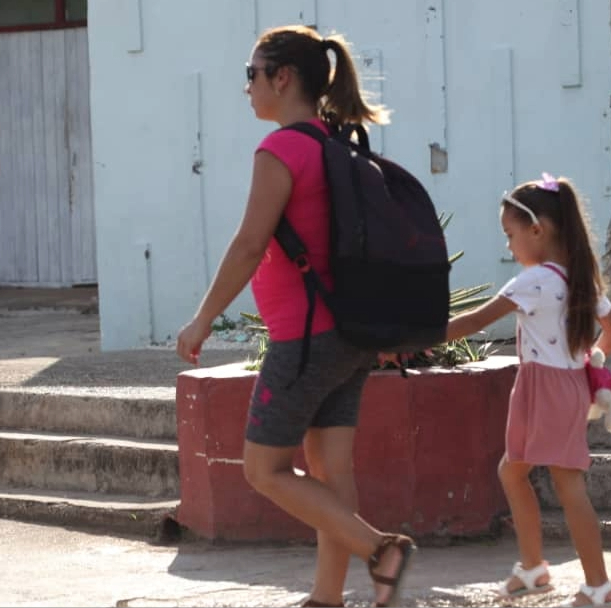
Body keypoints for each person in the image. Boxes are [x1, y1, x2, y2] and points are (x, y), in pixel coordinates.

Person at [174, 25, 413, 608]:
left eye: (252, 74)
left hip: (305, 339)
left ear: (283, 78)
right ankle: (327, 598)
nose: (247, 87)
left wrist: (203, 318)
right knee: (331, 470)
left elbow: (251, 242)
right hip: (348, 333)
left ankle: (380, 549)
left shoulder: (282, 149)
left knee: (262, 469)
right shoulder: (337, 145)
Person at [445, 173, 611, 607]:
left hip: (547, 388)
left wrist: (410, 337)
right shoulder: (578, 278)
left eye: (510, 235)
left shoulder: (533, 281)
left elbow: (472, 322)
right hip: (547, 386)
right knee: (513, 470)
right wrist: (595, 358)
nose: (508, 246)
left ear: (537, 230)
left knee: (568, 486)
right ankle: (532, 568)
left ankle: (598, 586)